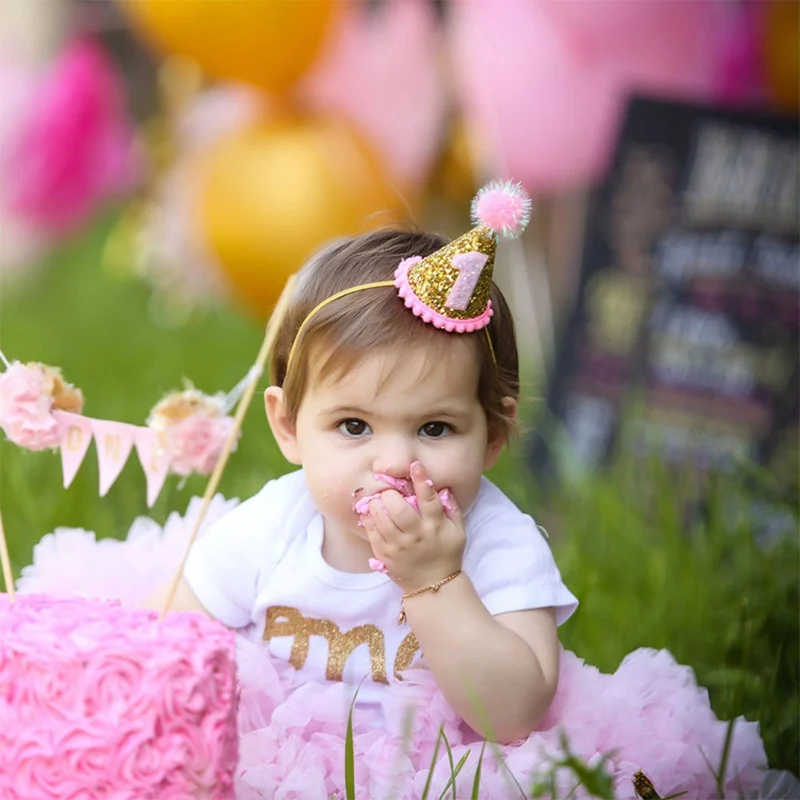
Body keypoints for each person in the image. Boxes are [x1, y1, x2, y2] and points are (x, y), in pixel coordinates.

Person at [152, 180, 579, 744]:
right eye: (354, 426)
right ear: (289, 427)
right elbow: (172, 651)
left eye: (435, 428)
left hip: (431, 770)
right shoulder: (273, 528)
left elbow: (514, 716)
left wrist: (435, 580)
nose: (396, 461)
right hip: (279, 767)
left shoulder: (499, 545)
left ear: (493, 436)